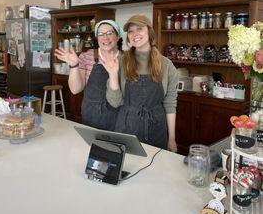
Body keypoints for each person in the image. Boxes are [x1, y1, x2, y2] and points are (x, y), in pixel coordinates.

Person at [104, 15, 178, 152]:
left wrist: (171, 139)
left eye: (139, 29)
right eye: (130, 31)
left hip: (157, 128)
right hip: (127, 127)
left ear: (149, 32)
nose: (134, 34)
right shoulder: (120, 62)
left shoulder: (166, 65)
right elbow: (115, 102)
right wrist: (113, 75)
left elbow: (170, 104)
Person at [54, 20, 123, 131]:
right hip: (92, 115)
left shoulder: (127, 59)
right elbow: (75, 89)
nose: (105, 38)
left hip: (120, 116)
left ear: (118, 36)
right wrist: (74, 65)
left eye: (109, 33)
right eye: (100, 34)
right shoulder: (87, 56)